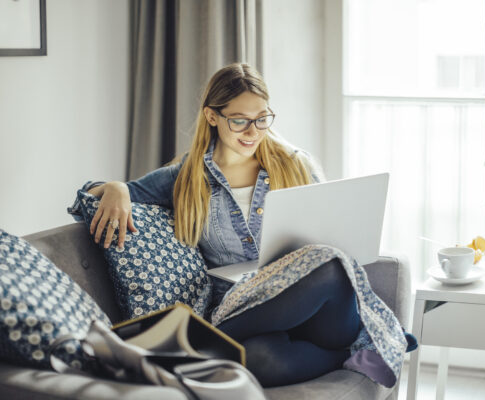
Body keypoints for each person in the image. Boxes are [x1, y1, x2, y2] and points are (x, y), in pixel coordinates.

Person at [73, 63, 410, 388]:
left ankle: (181, 352)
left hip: (321, 311)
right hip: (246, 312)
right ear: (212, 117)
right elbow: (86, 200)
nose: (253, 132)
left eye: (262, 119)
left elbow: (335, 240)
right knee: (257, 361)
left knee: (330, 267)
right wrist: (116, 187)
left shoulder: (296, 164)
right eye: (240, 121)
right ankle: (344, 356)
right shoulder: (186, 178)